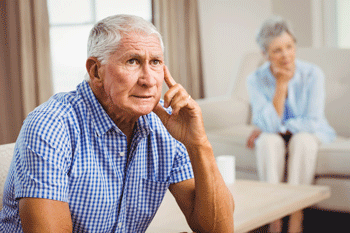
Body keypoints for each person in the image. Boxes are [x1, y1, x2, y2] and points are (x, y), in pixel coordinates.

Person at [0, 14, 234, 232]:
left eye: (155, 62)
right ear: (96, 71)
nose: (149, 80)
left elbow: (219, 229)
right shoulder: (51, 125)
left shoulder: (164, 127)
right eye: (133, 61)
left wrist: (198, 143)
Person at [246, 16, 336, 232]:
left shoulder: (313, 74)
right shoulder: (255, 79)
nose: (286, 54)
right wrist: (281, 85)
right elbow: (268, 127)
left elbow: (312, 121)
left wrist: (278, 127)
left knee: (303, 141)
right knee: (267, 141)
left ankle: (296, 217)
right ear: (265, 54)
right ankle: (274, 220)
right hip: (276, 134)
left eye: (289, 46)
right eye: (277, 50)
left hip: (309, 133)